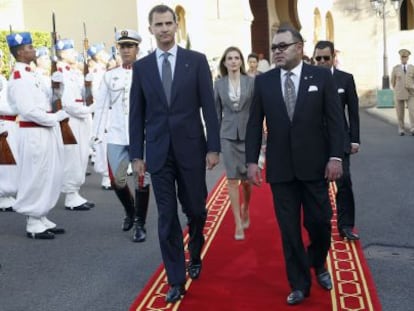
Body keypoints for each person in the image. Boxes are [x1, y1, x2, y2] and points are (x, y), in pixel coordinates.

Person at [245, 26, 344, 305]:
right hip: (281, 169)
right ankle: (299, 283)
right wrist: (252, 161)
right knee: (289, 231)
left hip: (315, 168)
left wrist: (336, 156)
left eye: (282, 46)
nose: (277, 51)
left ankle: (318, 262)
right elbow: (254, 123)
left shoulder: (321, 77)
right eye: (274, 47)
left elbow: (336, 121)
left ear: (299, 48)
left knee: (320, 223)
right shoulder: (264, 82)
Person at [129, 4, 220, 303]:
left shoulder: (195, 61)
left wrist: (213, 147)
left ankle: (195, 250)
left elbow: (209, 106)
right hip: (158, 152)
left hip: (192, 148)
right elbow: (136, 114)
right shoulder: (141, 68)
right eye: (159, 24)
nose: (165, 29)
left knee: (195, 209)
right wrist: (137, 154)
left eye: (169, 23)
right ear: (151, 28)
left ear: (176, 26)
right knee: (166, 216)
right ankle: (176, 279)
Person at [6, 32, 67, 239]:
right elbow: (28, 110)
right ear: (21, 52)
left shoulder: (32, 74)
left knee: (50, 173)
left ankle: (41, 215)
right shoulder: (19, 78)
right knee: (36, 175)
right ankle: (33, 220)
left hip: (44, 129)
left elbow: (49, 98)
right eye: (30, 47)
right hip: (33, 131)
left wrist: (58, 85)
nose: (34, 50)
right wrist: (55, 118)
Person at [92, 29, 151, 242]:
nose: (126, 50)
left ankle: (140, 224)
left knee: (142, 180)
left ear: (137, 48)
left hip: (141, 135)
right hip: (117, 134)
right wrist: (95, 134)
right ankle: (130, 210)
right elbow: (100, 107)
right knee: (118, 179)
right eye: (123, 46)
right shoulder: (110, 76)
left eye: (130, 46)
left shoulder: (147, 73)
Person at [314, 40, 361, 241]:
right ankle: (321, 225)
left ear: (333, 58)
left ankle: (346, 226)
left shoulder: (345, 79)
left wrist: (355, 139)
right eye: (318, 58)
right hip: (315, 141)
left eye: (326, 57)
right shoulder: (307, 78)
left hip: (340, 140)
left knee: (344, 184)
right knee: (318, 187)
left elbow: (353, 111)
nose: (322, 61)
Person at [214, 46, 254, 240]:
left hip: (247, 135)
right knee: (231, 180)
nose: (233, 61)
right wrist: (214, 143)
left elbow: (256, 111)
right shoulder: (219, 84)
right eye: (229, 58)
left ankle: (246, 207)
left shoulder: (251, 82)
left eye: (237, 58)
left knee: (246, 181)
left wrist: (260, 138)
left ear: (241, 61)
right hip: (228, 136)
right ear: (225, 62)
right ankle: (238, 222)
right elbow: (216, 114)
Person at [56, 38, 95, 210]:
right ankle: (71, 195)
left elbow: (83, 95)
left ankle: (75, 192)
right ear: (63, 54)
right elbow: (67, 103)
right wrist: (88, 110)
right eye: (71, 51)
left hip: (81, 118)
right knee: (73, 158)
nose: (75, 54)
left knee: (81, 155)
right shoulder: (60, 73)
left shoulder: (72, 72)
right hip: (72, 120)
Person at [87, 43, 112, 190]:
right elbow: (97, 94)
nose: (105, 54)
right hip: (103, 112)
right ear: (96, 56)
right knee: (103, 144)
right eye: (102, 53)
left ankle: (111, 175)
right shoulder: (96, 72)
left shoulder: (105, 70)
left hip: (109, 111)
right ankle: (106, 177)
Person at [0, 48, 18, 212]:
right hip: (2, 123)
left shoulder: (3, 79)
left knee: (8, 161)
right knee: (3, 163)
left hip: (10, 124)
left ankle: (6, 192)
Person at [391, 48, 414, 136]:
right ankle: (401, 128)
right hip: (399, 92)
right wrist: (397, 89)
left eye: (405, 57)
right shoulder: (396, 68)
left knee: (412, 111)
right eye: (402, 57)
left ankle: (413, 128)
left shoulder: (412, 68)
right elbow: (393, 81)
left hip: (411, 93)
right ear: (400, 58)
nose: (404, 59)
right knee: (400, 112)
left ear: (408, 58)